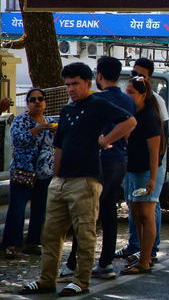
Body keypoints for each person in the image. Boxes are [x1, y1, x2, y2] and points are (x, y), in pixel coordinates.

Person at [19, 63, 136, 296]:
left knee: (84, 233)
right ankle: (46, 280)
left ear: (88, 83)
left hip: (86, 179)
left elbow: (130, 122)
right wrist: (55, 177)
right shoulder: (67, 110)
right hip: (61, 181)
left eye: (75, 84)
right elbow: (59, 145)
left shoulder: (98, 103)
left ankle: (81, 281)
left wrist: (104, 141)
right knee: (51, 234)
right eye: (68, 84)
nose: (71, 88)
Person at [60, 57, 137, 280]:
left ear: (98, 76)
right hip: (120, 159)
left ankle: (73, 264)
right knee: (109, 211)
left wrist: (102, 141)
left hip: (98, 161)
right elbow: (129, 128)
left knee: (85, 215)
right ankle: (105, 263)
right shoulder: (128, 100)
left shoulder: (95, 99)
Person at [115, 58, 169, 266]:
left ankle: (148, 256)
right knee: (136, 214)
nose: (128, 95)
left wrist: (153, 178)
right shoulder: (131, 112)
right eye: (127, 90)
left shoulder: (151, 114)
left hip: (147, 171)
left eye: (132, 92)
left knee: (147, 214)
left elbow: (156, 150)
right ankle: (138, 252)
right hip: (133, 170)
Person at [3, 88, 57, 259]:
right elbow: (18, 141)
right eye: (33, 99)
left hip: (44, 173)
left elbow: (56, 145)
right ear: (27, 103)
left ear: (45, 102)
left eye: (40, 99)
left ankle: (34, 243)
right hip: (23, 171)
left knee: (40, 209)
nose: (37, 102)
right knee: (17, 209)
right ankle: (11, 244)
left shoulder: (51, 121)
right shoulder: (21, 120)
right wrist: (38, 129)